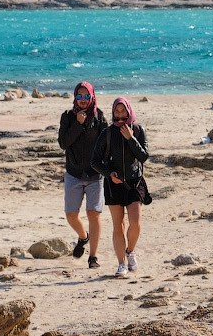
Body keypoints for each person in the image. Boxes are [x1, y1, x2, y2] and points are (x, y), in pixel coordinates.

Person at [56, 81, 107, 269]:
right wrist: (77, 124)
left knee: (93, 213)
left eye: (87, 96)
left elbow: (106, 145)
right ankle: (83, 237)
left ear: (92, 96)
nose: (83, 100)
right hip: (74, 174)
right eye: (80, 96)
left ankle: (93, 257)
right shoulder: (67, 117)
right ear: (75, 97)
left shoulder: (100, 118)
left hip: (95, 175)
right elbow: (63, 143)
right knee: (71, 215)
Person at [101, 96, 150, 277]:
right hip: (113, 185)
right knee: (118, 225)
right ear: (113, 112)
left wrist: (131, 139)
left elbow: (144, 156)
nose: (120, 114)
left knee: (135, 223)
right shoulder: (107, 133)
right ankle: (121, 264)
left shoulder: (138, 130)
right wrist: (109, 174)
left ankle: (130, 251)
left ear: (129, 111)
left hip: (134, 183)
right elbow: (95, 161)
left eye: (123, 111)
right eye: (117, 111)